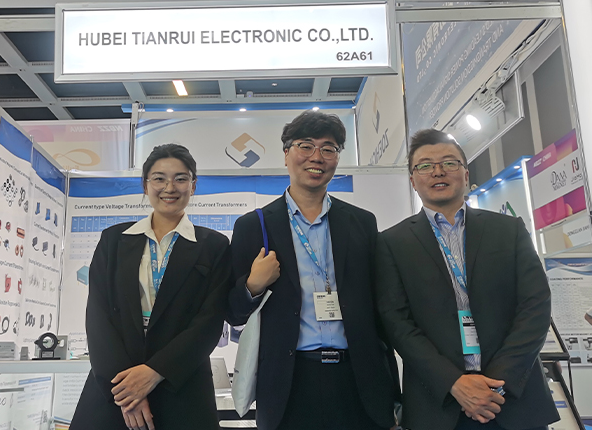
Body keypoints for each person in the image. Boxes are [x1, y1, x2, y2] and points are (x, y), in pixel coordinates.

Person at [228, 110, 400, 430]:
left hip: (358, 381)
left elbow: (380, 311)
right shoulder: (253, 226)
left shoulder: (362, 223)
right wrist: (253, 285)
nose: (316, 157)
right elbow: (233, 312)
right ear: (286, 154)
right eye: (305, 146)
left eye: (328, 148)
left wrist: (392, 393)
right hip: (289, 382)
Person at [376, 129, 558, 430]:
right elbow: (397, 323)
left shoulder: (508, 230)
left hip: (512, 400)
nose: (438, 171)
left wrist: (496, 382)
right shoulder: (392, 243)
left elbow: (536, 305)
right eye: (425, 165)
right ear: (413, 180)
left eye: (449, 163)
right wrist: (454, 383)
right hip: (439, 405)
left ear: (465, 173)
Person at [71, 144, 231, 430]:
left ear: (193, 186)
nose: (169, 187)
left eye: (180, 178)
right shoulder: (114, 240)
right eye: (159, 178)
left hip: (182, 383)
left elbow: (209, 321)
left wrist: (155, 372)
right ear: (145, 185)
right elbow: (98, 316)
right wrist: (127, 392)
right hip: (116, 388)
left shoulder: (214, 246)